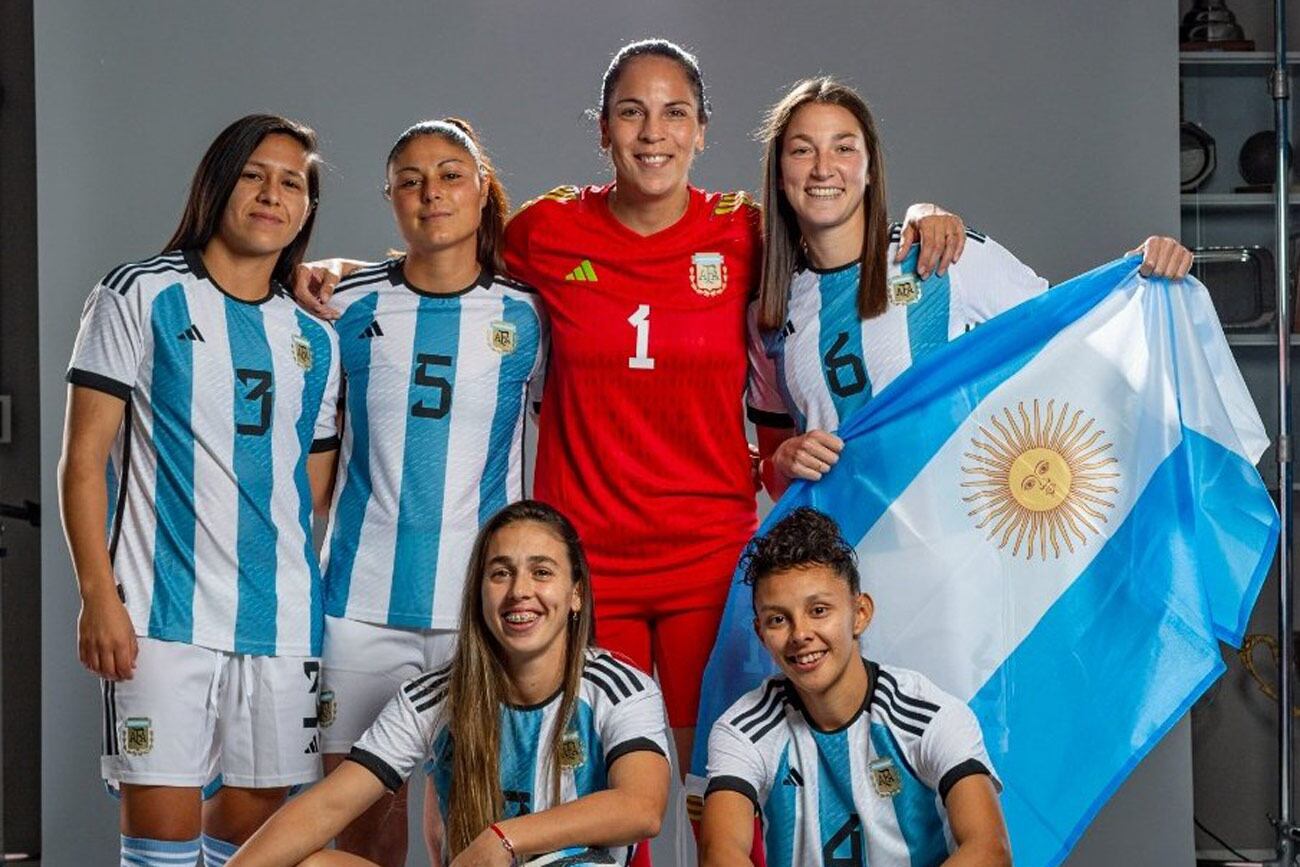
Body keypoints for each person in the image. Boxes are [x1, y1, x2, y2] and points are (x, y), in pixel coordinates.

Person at [292, 40, 962, 781]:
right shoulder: (546, 231)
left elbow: (838, 227)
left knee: (725, 780)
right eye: (631, 113)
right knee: (603, 786)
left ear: (703, 129)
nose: (653, 133)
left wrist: (922, 216)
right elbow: (445, 257)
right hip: (586, 557)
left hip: (709, 551)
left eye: (675, 113)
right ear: (602, 129)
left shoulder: (745, 232)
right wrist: (348, 272)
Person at [59, 114, 340, 867]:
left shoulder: (317, 338)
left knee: (254, 843)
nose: (272, 193)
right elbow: (84, 460)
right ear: (218, 182)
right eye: (254, 173)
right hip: (158, 613)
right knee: (161, 843)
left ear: (307, 208)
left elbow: (309, 491)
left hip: (280, 621)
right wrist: (99, 593)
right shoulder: (139, 293)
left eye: (292, 182)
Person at [746, 77, 1195, 499]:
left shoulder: (939, 254)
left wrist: (1139, 277)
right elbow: (776, 473)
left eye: (844, 148)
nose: (824, 168)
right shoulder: (769, 309)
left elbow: (1076, 333)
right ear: (780, 171)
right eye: (802, 151)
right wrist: (783, 462)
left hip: (960, 546)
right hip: (841, 556)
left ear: (868, 167)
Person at [315, 118, 546, 866]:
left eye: (450, 174)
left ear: (482, 189)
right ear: (390, 198)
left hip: (475, 612)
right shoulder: (344, 306)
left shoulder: (527, 314)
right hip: (358, 608)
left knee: (471, 826)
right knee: (366, 825)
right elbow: (313, 466)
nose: (431, 192)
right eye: (410, 179)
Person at [228, 499, 672, 867]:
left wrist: (503, 839)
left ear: (576, 593)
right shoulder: (434, 697)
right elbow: (326, 807)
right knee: (316, 865)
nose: (520, 590)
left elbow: (641, 806)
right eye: (500, 573)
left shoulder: (618, 688)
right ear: (479, 594)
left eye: (541, 572)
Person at [699, 507, 1011, 866]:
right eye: (778, 619)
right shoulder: (742, 728)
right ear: (761, 634)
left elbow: (990, 850)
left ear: (859, 614)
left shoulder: (930, 715)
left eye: (818, 610)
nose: (800, 634)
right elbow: (719, 853)